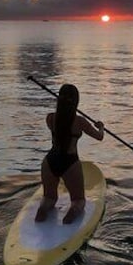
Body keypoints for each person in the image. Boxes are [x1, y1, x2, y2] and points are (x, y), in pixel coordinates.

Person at [35, 83, 104, 224]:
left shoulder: (50, 118)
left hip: (50, 161)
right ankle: (70, 215)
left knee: (49, 198)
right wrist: (101, 127)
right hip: (70, 162)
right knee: (78, 200)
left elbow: (62, 122)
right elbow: (99, 136)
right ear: (76, 101)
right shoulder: (80, 122)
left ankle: (42, 210)